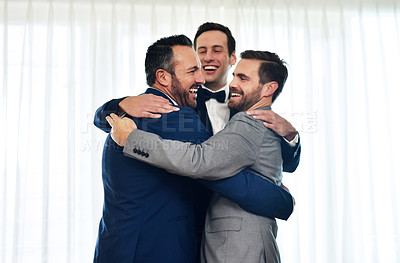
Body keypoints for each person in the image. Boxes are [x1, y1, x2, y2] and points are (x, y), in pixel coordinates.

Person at [93, 34, 294, 263]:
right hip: (157, 251)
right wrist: (280, 199)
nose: (201, 77)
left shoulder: (127, 113)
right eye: (192, 71)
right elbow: (214, 170)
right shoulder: (176, 119)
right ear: (163, 77)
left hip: (114, 248)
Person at [93, 22, 301, 173]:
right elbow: (114, 126)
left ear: (232, 58)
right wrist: (120, 104)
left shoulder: (250, 104)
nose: (208, 57)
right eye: (202, 51)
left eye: (217, 50)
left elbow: (279, 163)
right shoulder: (177, 101)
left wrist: (291, 136)